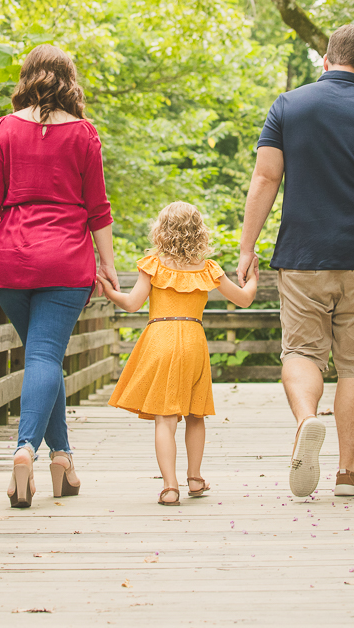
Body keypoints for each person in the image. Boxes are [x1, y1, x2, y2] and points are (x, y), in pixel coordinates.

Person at [237, 24, 354, 498]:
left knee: (301, 352)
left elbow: (265, 178)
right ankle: (347, 469)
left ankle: (306, 421)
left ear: (325, 60)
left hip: (301, 256)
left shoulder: (288, 107)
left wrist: (246, 247)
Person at [0, 44, 120, 509]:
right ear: (69, 81)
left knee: (41, 357)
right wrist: (108, 265)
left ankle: (63, 460)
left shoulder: (3, 130)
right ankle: (26, 448)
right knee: (46, 358)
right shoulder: (84, 135)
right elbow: (98, 209)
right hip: (66, 261)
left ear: (26, 78)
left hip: (11, 260)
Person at [99, 202, 259, 505]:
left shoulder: (154, 265)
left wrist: (110, 292)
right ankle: (195, 479)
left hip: (161, 338)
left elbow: (132, 304)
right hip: (194, 341)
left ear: (162, 231)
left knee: (166, 418)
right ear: (199, 232)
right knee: (195, 414)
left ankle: (170, 487)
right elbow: (245, 299)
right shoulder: (208, 269)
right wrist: (252, 278)